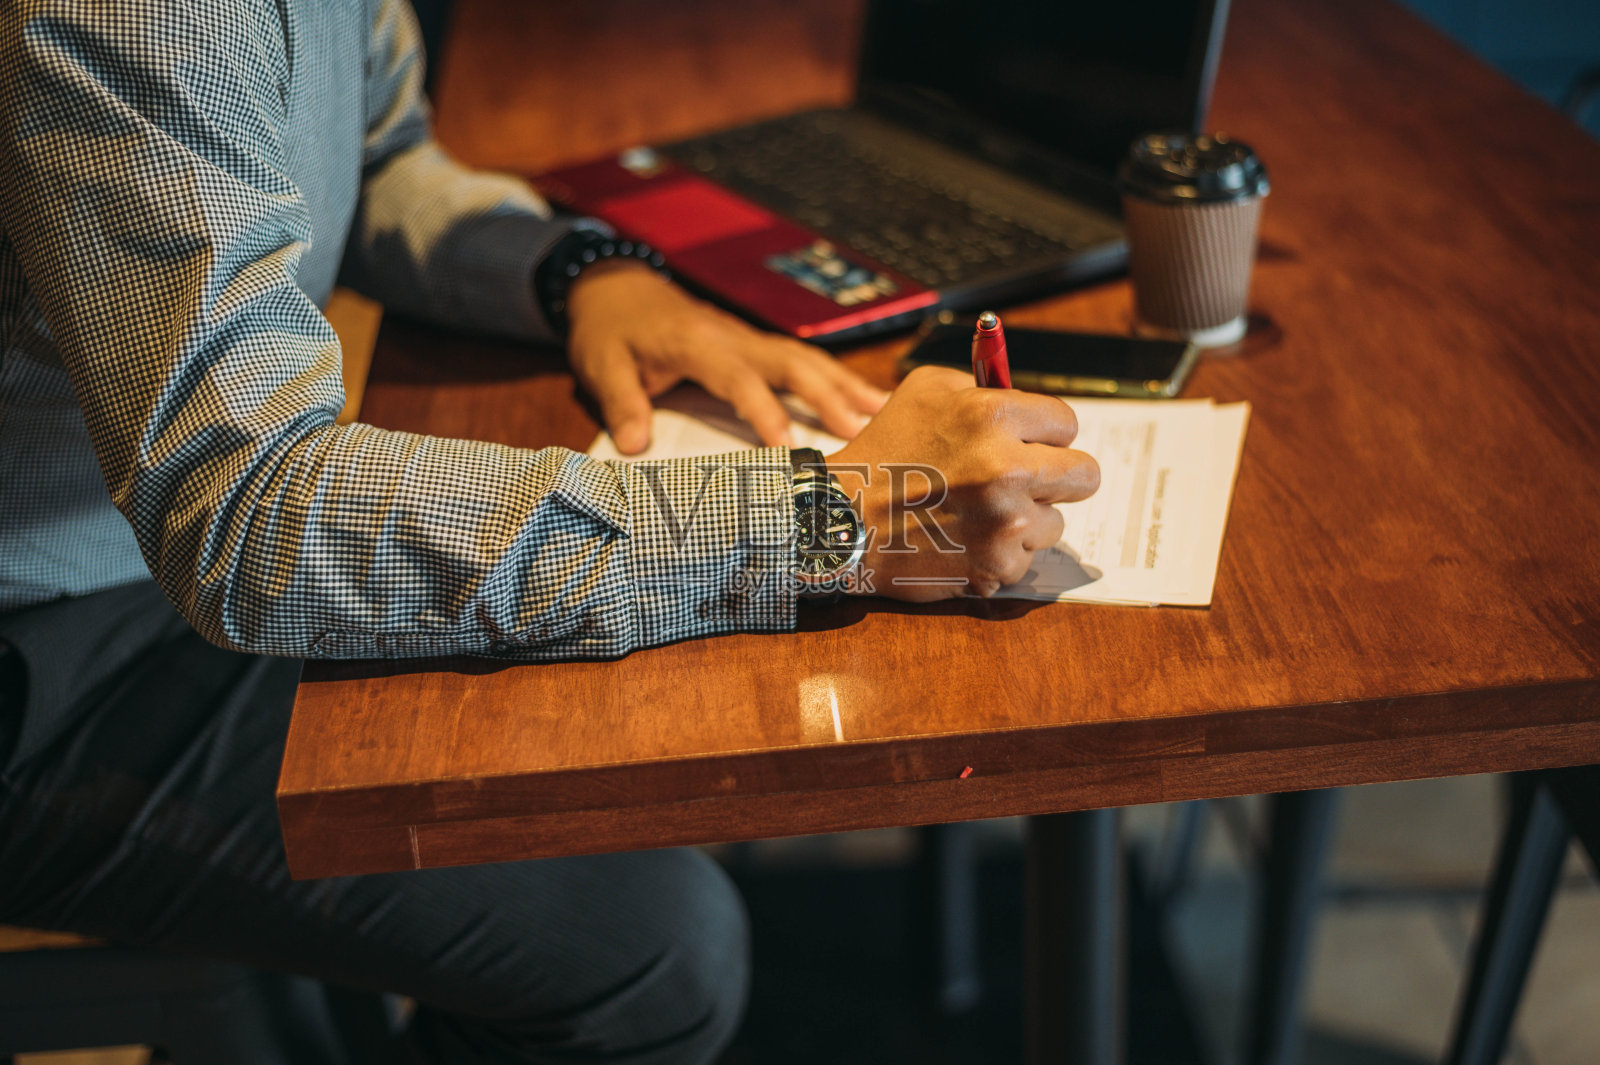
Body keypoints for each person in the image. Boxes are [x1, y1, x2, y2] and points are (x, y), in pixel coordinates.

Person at [0, 1, 1099, 1062]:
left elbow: (373, 153)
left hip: (139, 543)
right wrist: (827, 514)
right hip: (46, 652)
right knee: (648, 956)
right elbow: (246, 518)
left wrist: (581, 274)